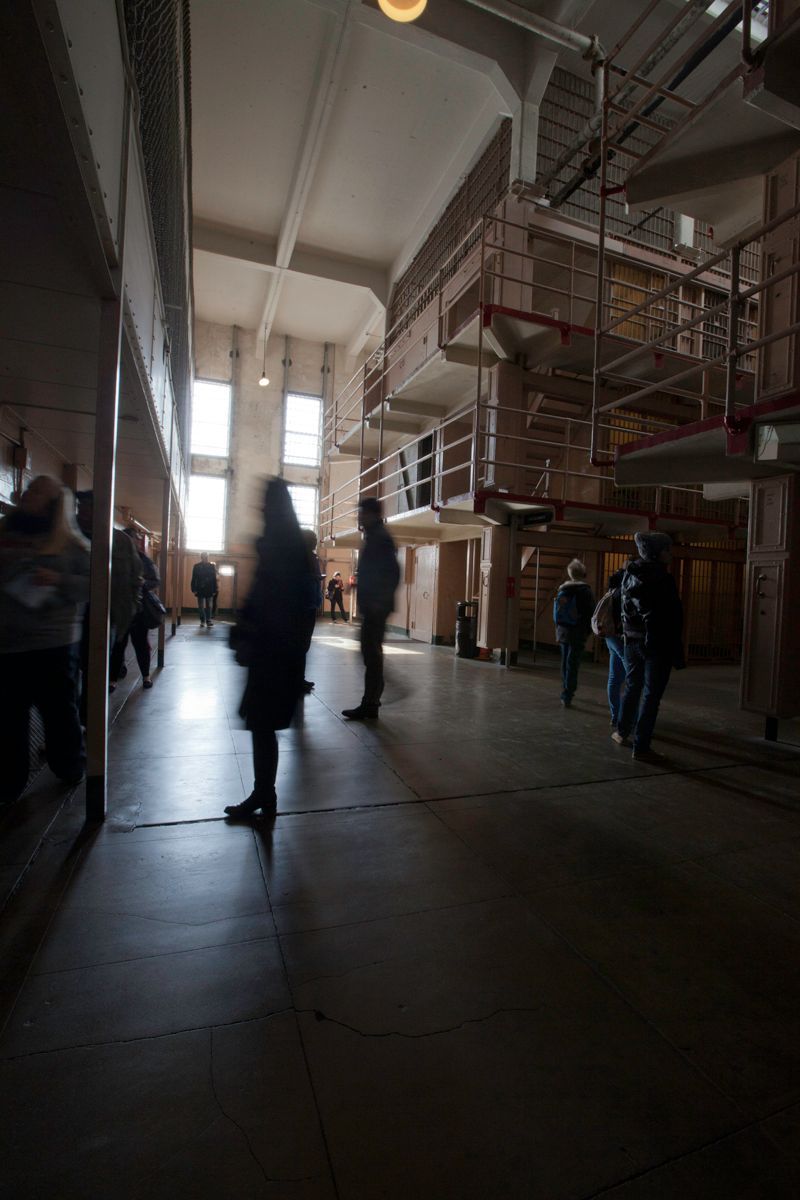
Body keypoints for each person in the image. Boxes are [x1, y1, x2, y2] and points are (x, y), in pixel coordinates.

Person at [0, 476, 89, 805]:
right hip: (8, 640)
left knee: (59, 712)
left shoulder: (71, 545)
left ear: (54, 505)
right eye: (29, 489)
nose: (28, 494)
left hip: (54, 642)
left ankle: (69, 766)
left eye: (38, 491)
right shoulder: (6, 534)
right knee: (9, 715)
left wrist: (57, 579)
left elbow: (93, 584)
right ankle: (8, 782)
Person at [224, 479, 310, 818]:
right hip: (277, 651)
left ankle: (264, 794)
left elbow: (270, 600)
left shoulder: (280, 547)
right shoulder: (287, 544)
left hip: (273, 652)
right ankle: (264, 793)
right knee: (262, 724)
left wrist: (248, 630)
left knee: (262, 723)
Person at [612, 532, 685, 763]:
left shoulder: (629, 574)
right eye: (667, 550)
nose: (670, 554)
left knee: (633, 686)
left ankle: (622, 731)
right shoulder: (663, 579)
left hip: (631, 641)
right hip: (656, 644)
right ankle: (642, 746)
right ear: (657, 553)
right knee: (652, 695)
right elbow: (671, 617)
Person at [75, 490, 142, 716]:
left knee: (96, 671)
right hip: (68, 619)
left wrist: (127, 612)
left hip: (107, 616)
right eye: (82, 507)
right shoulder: (66, 536)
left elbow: (135, 579)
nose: (85, 513)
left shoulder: (121, 542)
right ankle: (76, 718)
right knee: (68, 674)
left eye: (91, 507)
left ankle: (88, 720)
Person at [342, 497, 400, 721]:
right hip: (374, 605)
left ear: (372, 514)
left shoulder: (380, 538)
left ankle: (371, 702)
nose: (359, 517)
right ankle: (372, 701)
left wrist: (378, 602)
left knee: (371, 653)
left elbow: (392, 572)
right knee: (370, 652)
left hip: (376, 606)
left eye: (362, 513)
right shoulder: (374, 536)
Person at [109, 527, 160, 691]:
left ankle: (145, 676)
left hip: (137, 609)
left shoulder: (143, 560)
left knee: (140, 645)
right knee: (119, 645)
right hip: (120, 608)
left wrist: (143, 584)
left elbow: (155, 580)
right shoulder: (112, 558)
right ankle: (112, 678)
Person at [553, 559, 595, 708]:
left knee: (565, 661)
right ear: (582, 573)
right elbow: (591, 613)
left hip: (563, 631)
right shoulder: (586, 591)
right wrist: (588, 631)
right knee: (573, 663)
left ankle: (565, 690)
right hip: (578, 632)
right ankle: (568, 693)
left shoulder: (563, 589)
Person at [604, 564, 629, 731]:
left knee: (614, 679)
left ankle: (615, 715)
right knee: (633, 680)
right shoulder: (624, 592)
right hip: (622, 638)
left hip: (610, 636)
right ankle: (629, 719)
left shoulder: (611, 591)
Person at [301, 530, 324, 694]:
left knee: (304, 644)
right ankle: (295, 678)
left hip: (311, 604)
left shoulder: (312, 557)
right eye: (312, 539)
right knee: (300, 644)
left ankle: (299, 677)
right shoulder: (300, 558)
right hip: (303, 606)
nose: (315, 542)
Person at [191, 552, 217, 627]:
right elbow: (194, 578)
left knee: (208, 605)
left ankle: (208, 620)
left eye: (206, 556)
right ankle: (203, 620)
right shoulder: (197, 566)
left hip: (209, 588)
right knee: (201, 606)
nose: (205, 558)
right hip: (200, 588)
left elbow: (214, 578)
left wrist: (214, 589)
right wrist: (193, 588)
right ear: (201, 557)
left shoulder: (211, 566)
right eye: (204, 556)